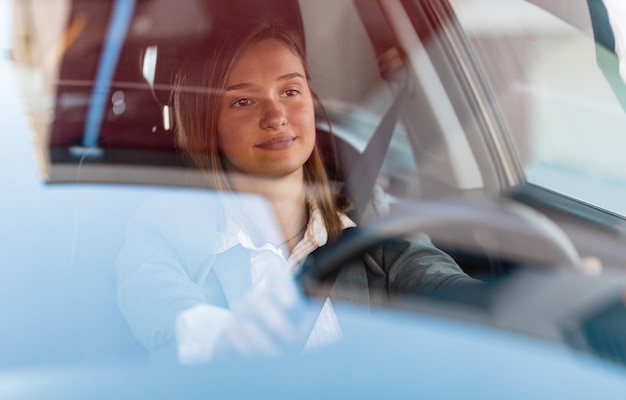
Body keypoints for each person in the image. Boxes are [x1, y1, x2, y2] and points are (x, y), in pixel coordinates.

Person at [116, 19, 477, 365]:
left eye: (290, 91)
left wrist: (492, 303)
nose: (276, 115)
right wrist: (224, 337)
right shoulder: (166, 223)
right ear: (206, 123)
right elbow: (152, 294)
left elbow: (435, 279)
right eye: (243, 101)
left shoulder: (368, 211)